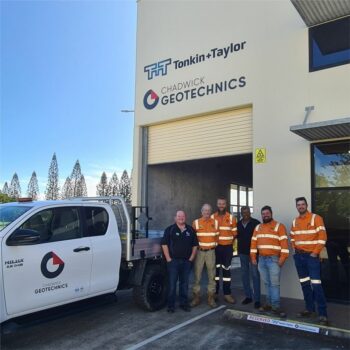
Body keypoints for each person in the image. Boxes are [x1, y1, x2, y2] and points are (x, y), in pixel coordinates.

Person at [290, 197, 328, 325]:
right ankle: (309, 309)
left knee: (316, 285)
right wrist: (295, 249)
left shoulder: (316, 218)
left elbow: (323, 237)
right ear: (296, 207)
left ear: (306, 205)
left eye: (302, 204)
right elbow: (292, 237)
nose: (300, 206)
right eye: (298, 205)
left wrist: (315, 253)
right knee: (305, 284)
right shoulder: (295, 221)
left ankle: (322, 314)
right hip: (299, 257)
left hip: (311, 257)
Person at [250, 206, 289, 317]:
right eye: (263, 213)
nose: (265, 215)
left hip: (273, 260)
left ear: (271, 214)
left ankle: (275, 307)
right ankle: (268, 304)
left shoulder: (279, 226)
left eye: (267, 213)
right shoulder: (258, 227)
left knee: (274, 285)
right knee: (267, 284)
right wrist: (253, 257)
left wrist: (281, 260)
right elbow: (253, 244)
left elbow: (285, 245)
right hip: (261, 259)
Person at [161, 210, 198, 313]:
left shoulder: (190, 230)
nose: (181, 218)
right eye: (179, 216)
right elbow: (164, 244)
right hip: (173, 262)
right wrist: (168, 259)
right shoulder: (170, 230)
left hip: (187, 262)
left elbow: (195, 245)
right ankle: (171, 305)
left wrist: (191, 259)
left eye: (182, 216)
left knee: (184, 284)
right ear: (175, 218)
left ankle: (184, 304)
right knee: (172, 284)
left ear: (185, 217)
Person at [191, 203, 219, 308]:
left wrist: (212, 246)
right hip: (199, 252)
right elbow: (193, 239)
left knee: (211, 276)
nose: (206, 212)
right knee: (197, 276)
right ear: (201, 211)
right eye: (205, 210)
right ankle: (196, 297)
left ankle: (210, 298)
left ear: (210, 212)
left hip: (211, 252)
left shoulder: (215, 223)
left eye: (208, 210)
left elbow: (217, 237)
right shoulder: (196, 223)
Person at [211, 197, 236, 304]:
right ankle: (215, 293)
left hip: (227, 249)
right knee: (215, 272)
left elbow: (235, 234)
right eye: (219, 203)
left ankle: (227, 294)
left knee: (226, 271)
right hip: (216, 248)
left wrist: (230, 247)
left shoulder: (231, 217)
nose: (221, 205)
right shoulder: (212, 217)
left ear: (226, 205)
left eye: (223, 204)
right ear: (217, 205)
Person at [237, 206, 261, 308]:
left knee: (255, 275)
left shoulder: (256, 223)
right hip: (242, 253)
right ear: (241, 213)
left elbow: (260, 238)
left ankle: (257, 299)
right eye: (243, 212)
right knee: (244, 275)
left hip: (254, 253)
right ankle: (248, 296)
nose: (245, 214)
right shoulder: (238, 224)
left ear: (250, 212)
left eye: (247, 212)